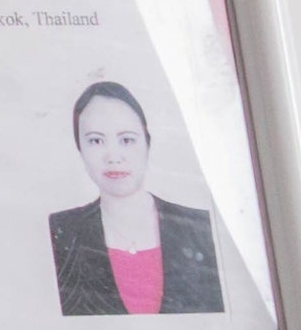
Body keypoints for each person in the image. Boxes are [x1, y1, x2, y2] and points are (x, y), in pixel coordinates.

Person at [50, 80, 220, 316]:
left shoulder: (199, 227)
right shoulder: (60, 232)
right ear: (80, 148)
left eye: (127, 140)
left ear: (147, 143)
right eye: (96, 140)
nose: (113, 156)